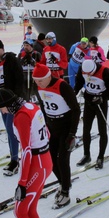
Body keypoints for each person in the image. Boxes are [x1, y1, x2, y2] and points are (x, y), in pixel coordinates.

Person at [0, 88, 52, 218]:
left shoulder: (20, 117)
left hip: (37, 163)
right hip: (44, 160)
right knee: (30, 209)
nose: (1, 112)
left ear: (7, 105)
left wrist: (22, 182)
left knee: (20, 211)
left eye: (0, 108)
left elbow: (26, 151)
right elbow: (47, 133)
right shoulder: (31, 106)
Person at [33, 62, 80, 208]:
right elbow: (43, 105)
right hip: (52, 127)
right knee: (50, 161)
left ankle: (65, 191)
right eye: (36, 80)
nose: (39, 83)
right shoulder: (39, 86)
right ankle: (64, 183)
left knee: (62, 159)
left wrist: (72, 133)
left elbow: (76, 110)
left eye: (41, 80)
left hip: (66, 126)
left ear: (48, 77)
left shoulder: (62, 86)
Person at [0, 39, 25, 176]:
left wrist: (15, 100)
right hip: (3, 103)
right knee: (9, 131)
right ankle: (13, 158)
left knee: (11, 130)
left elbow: (19, 80)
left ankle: (15, 161)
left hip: (12, 102)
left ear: (2, 49)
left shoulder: (11, 60)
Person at [73, 58, 109, 169]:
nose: (88, 75)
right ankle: (86, 155)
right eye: (86, 73)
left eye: (90, 73)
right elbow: (79, 82)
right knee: (86, 129)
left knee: (102, 129)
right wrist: (74, 93)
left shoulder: (105, 71)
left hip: (100, 102)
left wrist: (102, 98)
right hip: (89, 100)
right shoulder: (82, 68)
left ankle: (100, 157)